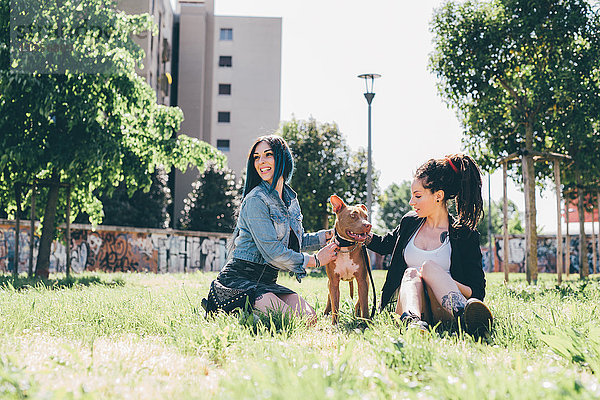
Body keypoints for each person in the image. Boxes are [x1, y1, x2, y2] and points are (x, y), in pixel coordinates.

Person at [216, 135, 339, 323]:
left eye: (268, 154)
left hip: (266, 283)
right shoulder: (256, 200)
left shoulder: (290, 199)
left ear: (282, 158)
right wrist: (315, 260)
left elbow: (295, 241)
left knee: (309, 318)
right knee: (289, 319)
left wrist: (326, 236)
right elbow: (273, 252)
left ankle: (255, 312)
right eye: (256, 157)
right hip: (238, 281)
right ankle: (231, 311)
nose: (261, 162)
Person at [367, 154, 493, 336]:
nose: (412, 202)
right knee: (411, 273)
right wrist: (361, 236)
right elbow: (385, 245)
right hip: (412, 304)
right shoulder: (409, 223)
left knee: (428, 268)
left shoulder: (464, 235)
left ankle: (464, 315)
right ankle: (413, 323)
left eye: (417, 196)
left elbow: (477, 291)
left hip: (445, 308)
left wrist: (436, 277)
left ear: (438, 196)